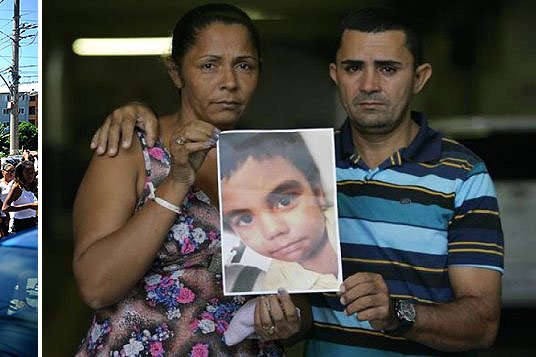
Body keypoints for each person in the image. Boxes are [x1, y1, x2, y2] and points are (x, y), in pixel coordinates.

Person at [89, 6, 504, 355]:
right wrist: (291, 324)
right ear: (335, 74)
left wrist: (397, 313)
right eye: (354, 68)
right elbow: (298, 297)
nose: (369, 85)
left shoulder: (461, 175)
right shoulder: (294, 160)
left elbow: (482, 324)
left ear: (420, 76)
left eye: (389, 68)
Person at [72, 4, 306, 355]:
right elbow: (96, 286)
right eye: (209, 65)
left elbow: (300, 297)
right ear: (176, 71)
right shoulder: (132, 148)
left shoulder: (275, 163)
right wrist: (178, 181)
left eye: (244, 65)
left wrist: (288, 322)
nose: (229, 82)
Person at [219, 132, 339, 293]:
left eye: (284, 202)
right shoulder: (276, 287)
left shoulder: (350, 225)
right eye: (246, 219)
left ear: (318, 194)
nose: (273, 230)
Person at [3, 160, 38, 234]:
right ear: (21, 173)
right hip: (20, 224)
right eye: (27, 173)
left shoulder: (30, 185)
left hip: (32, 221)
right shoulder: (17, 187)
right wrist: (29, 206)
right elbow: (5, 208)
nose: (30, 176)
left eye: (32, 173)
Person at [0, 162, 15, 239]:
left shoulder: (15, 183)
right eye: (8, 171)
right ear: (3, 172)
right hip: (3, 213)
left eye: (12, 171)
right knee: (4, 235)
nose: (10, 173)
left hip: (14, 212)